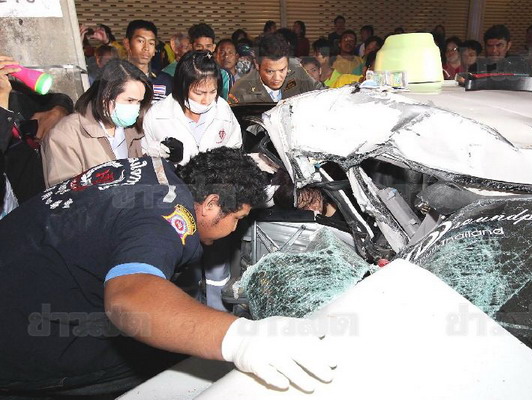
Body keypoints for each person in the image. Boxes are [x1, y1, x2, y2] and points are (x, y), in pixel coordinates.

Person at [0, 147, 337, 395]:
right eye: (236, 219)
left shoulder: (155, 170)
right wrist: (239, 338)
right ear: (210, 205)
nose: (235, 230)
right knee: (165, 370)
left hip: (22, 268)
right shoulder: (165, 222)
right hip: (23, 335)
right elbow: (130, 301)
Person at [41, 59, 152, 187]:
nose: (135, 108)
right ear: (106, 96)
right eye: (130, 100)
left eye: (139, 102)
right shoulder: (65, 135)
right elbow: (65, 193)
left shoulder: (133, 130)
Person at [143, 50, 241, 166]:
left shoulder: (222, 109)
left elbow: (235, 147)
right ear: (182, 86)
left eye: (213, 92)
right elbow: (143, 154)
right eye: (199, 93)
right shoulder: (158, 115)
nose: (206, 100)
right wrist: (157, 151)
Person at [0, 54, 73, 204]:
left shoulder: (15, 96)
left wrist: (58, 111)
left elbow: (59, 98)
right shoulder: (4, 95)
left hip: (39, 199)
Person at [228, 33, 321, 104]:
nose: (277, 78)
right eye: (270, 71)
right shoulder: (241, 90)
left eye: (282, 70)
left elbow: (320, 92)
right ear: (257, 64)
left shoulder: (295, 68)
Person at [189, 23, 234, 99]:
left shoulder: (223, 75)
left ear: (213, 47)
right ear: (191, 47)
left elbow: (227, 104)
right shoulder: (185, 71)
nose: (204, 51)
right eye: (199, 46)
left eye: (208, 46)